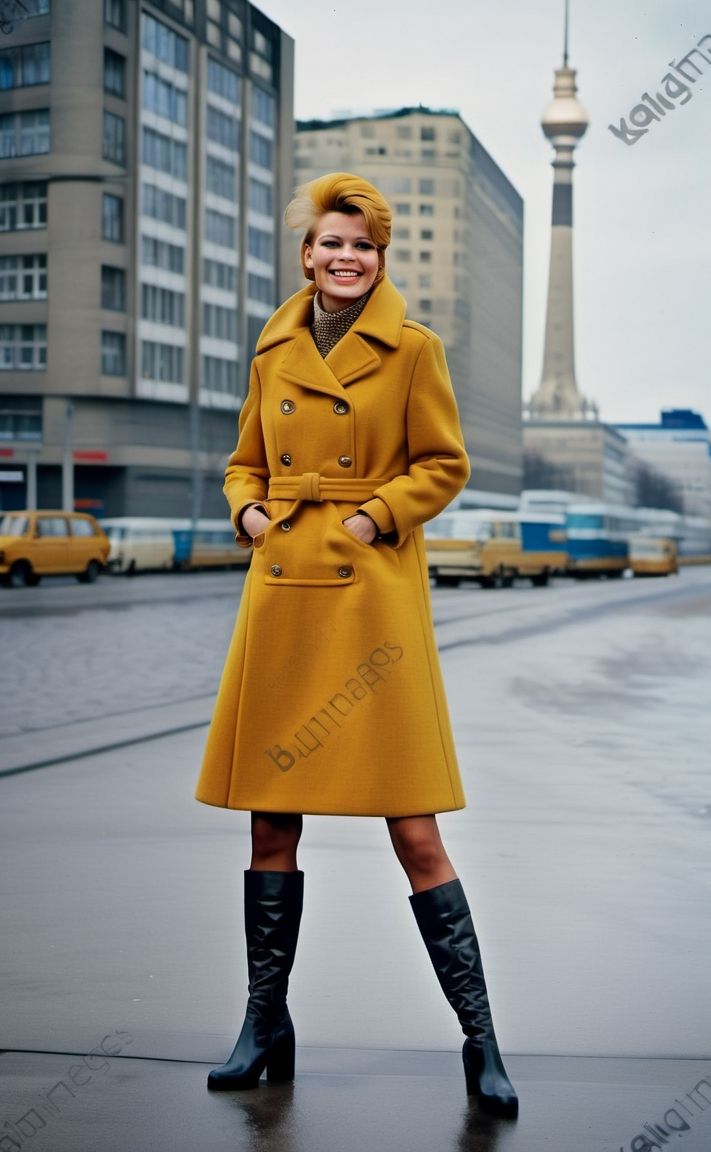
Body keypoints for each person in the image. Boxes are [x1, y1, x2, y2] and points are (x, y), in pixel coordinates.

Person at [195, 172, 518, 1119]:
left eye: (363, 247)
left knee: (414, 829)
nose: (346, 259)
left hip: (368, 600)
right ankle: (265, 1025)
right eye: (331, 244)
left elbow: (444, 464)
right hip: (286, 589)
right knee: (270, 821)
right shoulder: (273, 347)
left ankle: (481, 1040)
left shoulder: (414, 349)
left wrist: (377, 517)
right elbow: (244, 456)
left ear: (380, 260)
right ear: (307, 254)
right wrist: (249, 511)